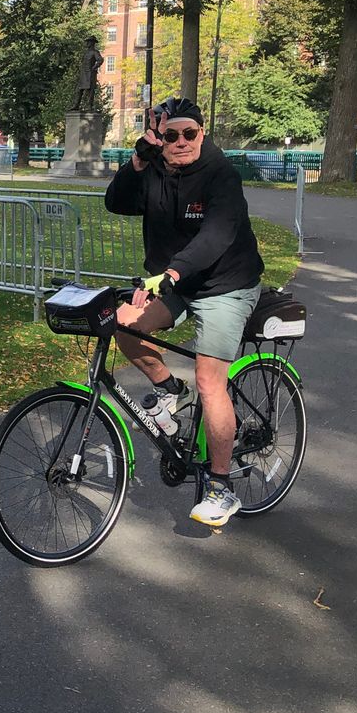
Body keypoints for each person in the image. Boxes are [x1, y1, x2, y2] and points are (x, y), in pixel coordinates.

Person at [105, 97, 264, 527]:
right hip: (174, 282)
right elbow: (116, 202)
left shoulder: (221, 175)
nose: (180, 142)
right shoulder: (156, 167)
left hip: (225, 286)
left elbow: (215, 236)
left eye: (188, 133)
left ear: (202, 132)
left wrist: (171, 273)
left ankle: (221, 485)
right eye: (170, 135)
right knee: (120, 325)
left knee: (211, 380)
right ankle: (170, 390)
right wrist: (138, 158)